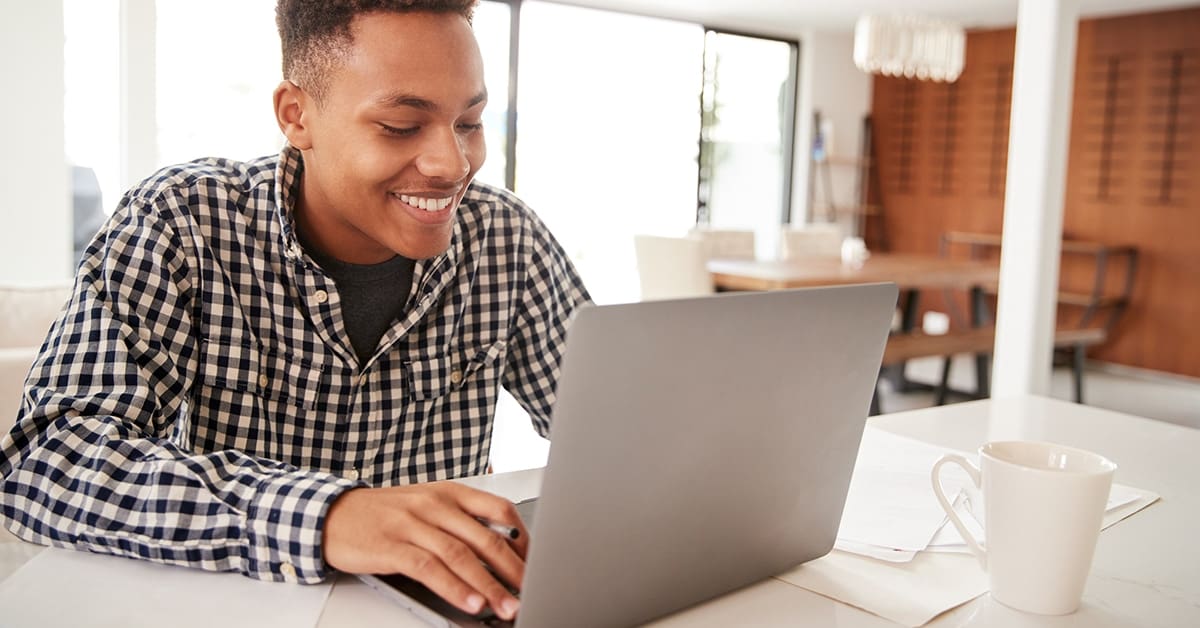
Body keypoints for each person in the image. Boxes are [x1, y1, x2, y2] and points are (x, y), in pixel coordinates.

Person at [0, 0, 590, 621]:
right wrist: (330, 514)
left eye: (469, 122)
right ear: (296, 115)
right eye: (400, 125)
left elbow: (617, 433)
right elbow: (49, 462)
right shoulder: (182, 222)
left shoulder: (507, 238)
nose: (453, 164)